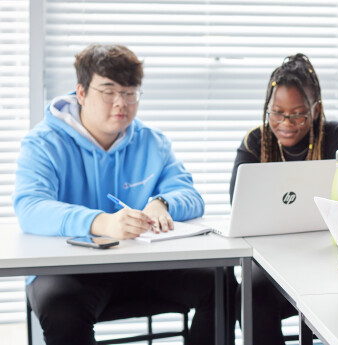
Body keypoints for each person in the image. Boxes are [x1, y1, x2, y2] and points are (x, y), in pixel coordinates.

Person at [13, 44, 215, 345]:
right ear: (81, 93)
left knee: (218, 283)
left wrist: (162, 203)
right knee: (62, 308)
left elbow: (189, 195)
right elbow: (30, 207)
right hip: (70, 273)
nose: (121, 102)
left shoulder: (152, 142)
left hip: (141, 266)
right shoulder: (43, 143)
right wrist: (100, 222)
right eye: (108, 91)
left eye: (130, 92)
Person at [230, 53, 338, 345]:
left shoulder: (337, 137)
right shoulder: (255, 141)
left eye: (298, 113)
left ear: (316, 109)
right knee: (251, 296)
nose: (286, 122)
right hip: (269, 262)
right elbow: (239, 208)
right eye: (277, 112)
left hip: (326, 257)